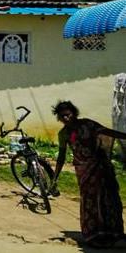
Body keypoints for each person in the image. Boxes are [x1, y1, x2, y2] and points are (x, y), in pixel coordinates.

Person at [53, 100, 126, 247]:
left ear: (74, 113)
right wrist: (55, 177)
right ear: (59, 118)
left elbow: (106, 132)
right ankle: (93, 235)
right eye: (62, 117)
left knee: (108, 199)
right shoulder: (64, 134)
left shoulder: (88, 124)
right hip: (84, 171)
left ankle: (113, 233)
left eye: (68, 115)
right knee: (90, 201)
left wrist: (125, 136)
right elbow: (61, 156)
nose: (66, 118)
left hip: (101, 168)